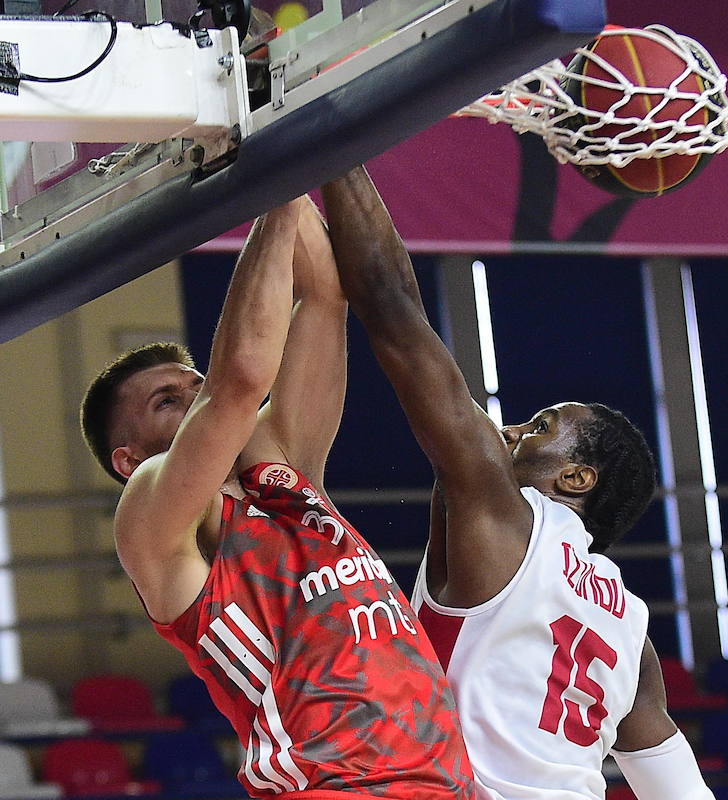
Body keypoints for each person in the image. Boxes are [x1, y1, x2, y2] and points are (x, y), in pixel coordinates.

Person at [323, 166, 715, 800]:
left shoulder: (506, 521)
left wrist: (329, 148)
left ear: (576, 477)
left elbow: (392, 306)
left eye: (538, 428)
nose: (508, 431)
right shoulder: (631, 631)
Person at [79, 194, 477, 799]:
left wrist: (291, 173)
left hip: (444, 785)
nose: (194, 402)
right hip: (334, 787)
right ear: (128, 459)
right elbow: (238, 381)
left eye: (194, 388)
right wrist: (270, 179)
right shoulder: (151, 514)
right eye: (167, 402)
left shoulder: (281, 470)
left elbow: (323, 294)